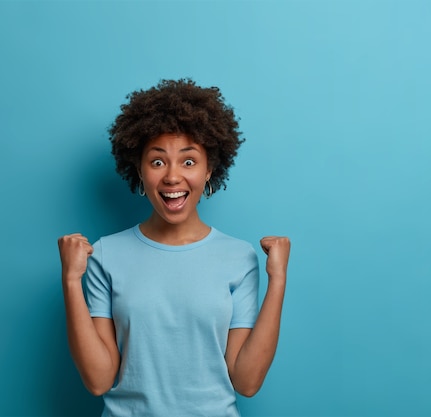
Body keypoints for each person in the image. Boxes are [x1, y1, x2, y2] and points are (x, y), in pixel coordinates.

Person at [58, 79, 290, 417]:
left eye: (188, 161)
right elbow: (98, 381)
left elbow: (247, 381)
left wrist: (278, 280)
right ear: (139, 168)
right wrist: (70, 280)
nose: (171, 177)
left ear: (210, 168)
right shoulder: (105, 255)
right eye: (157, 162)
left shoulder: (239, 258)